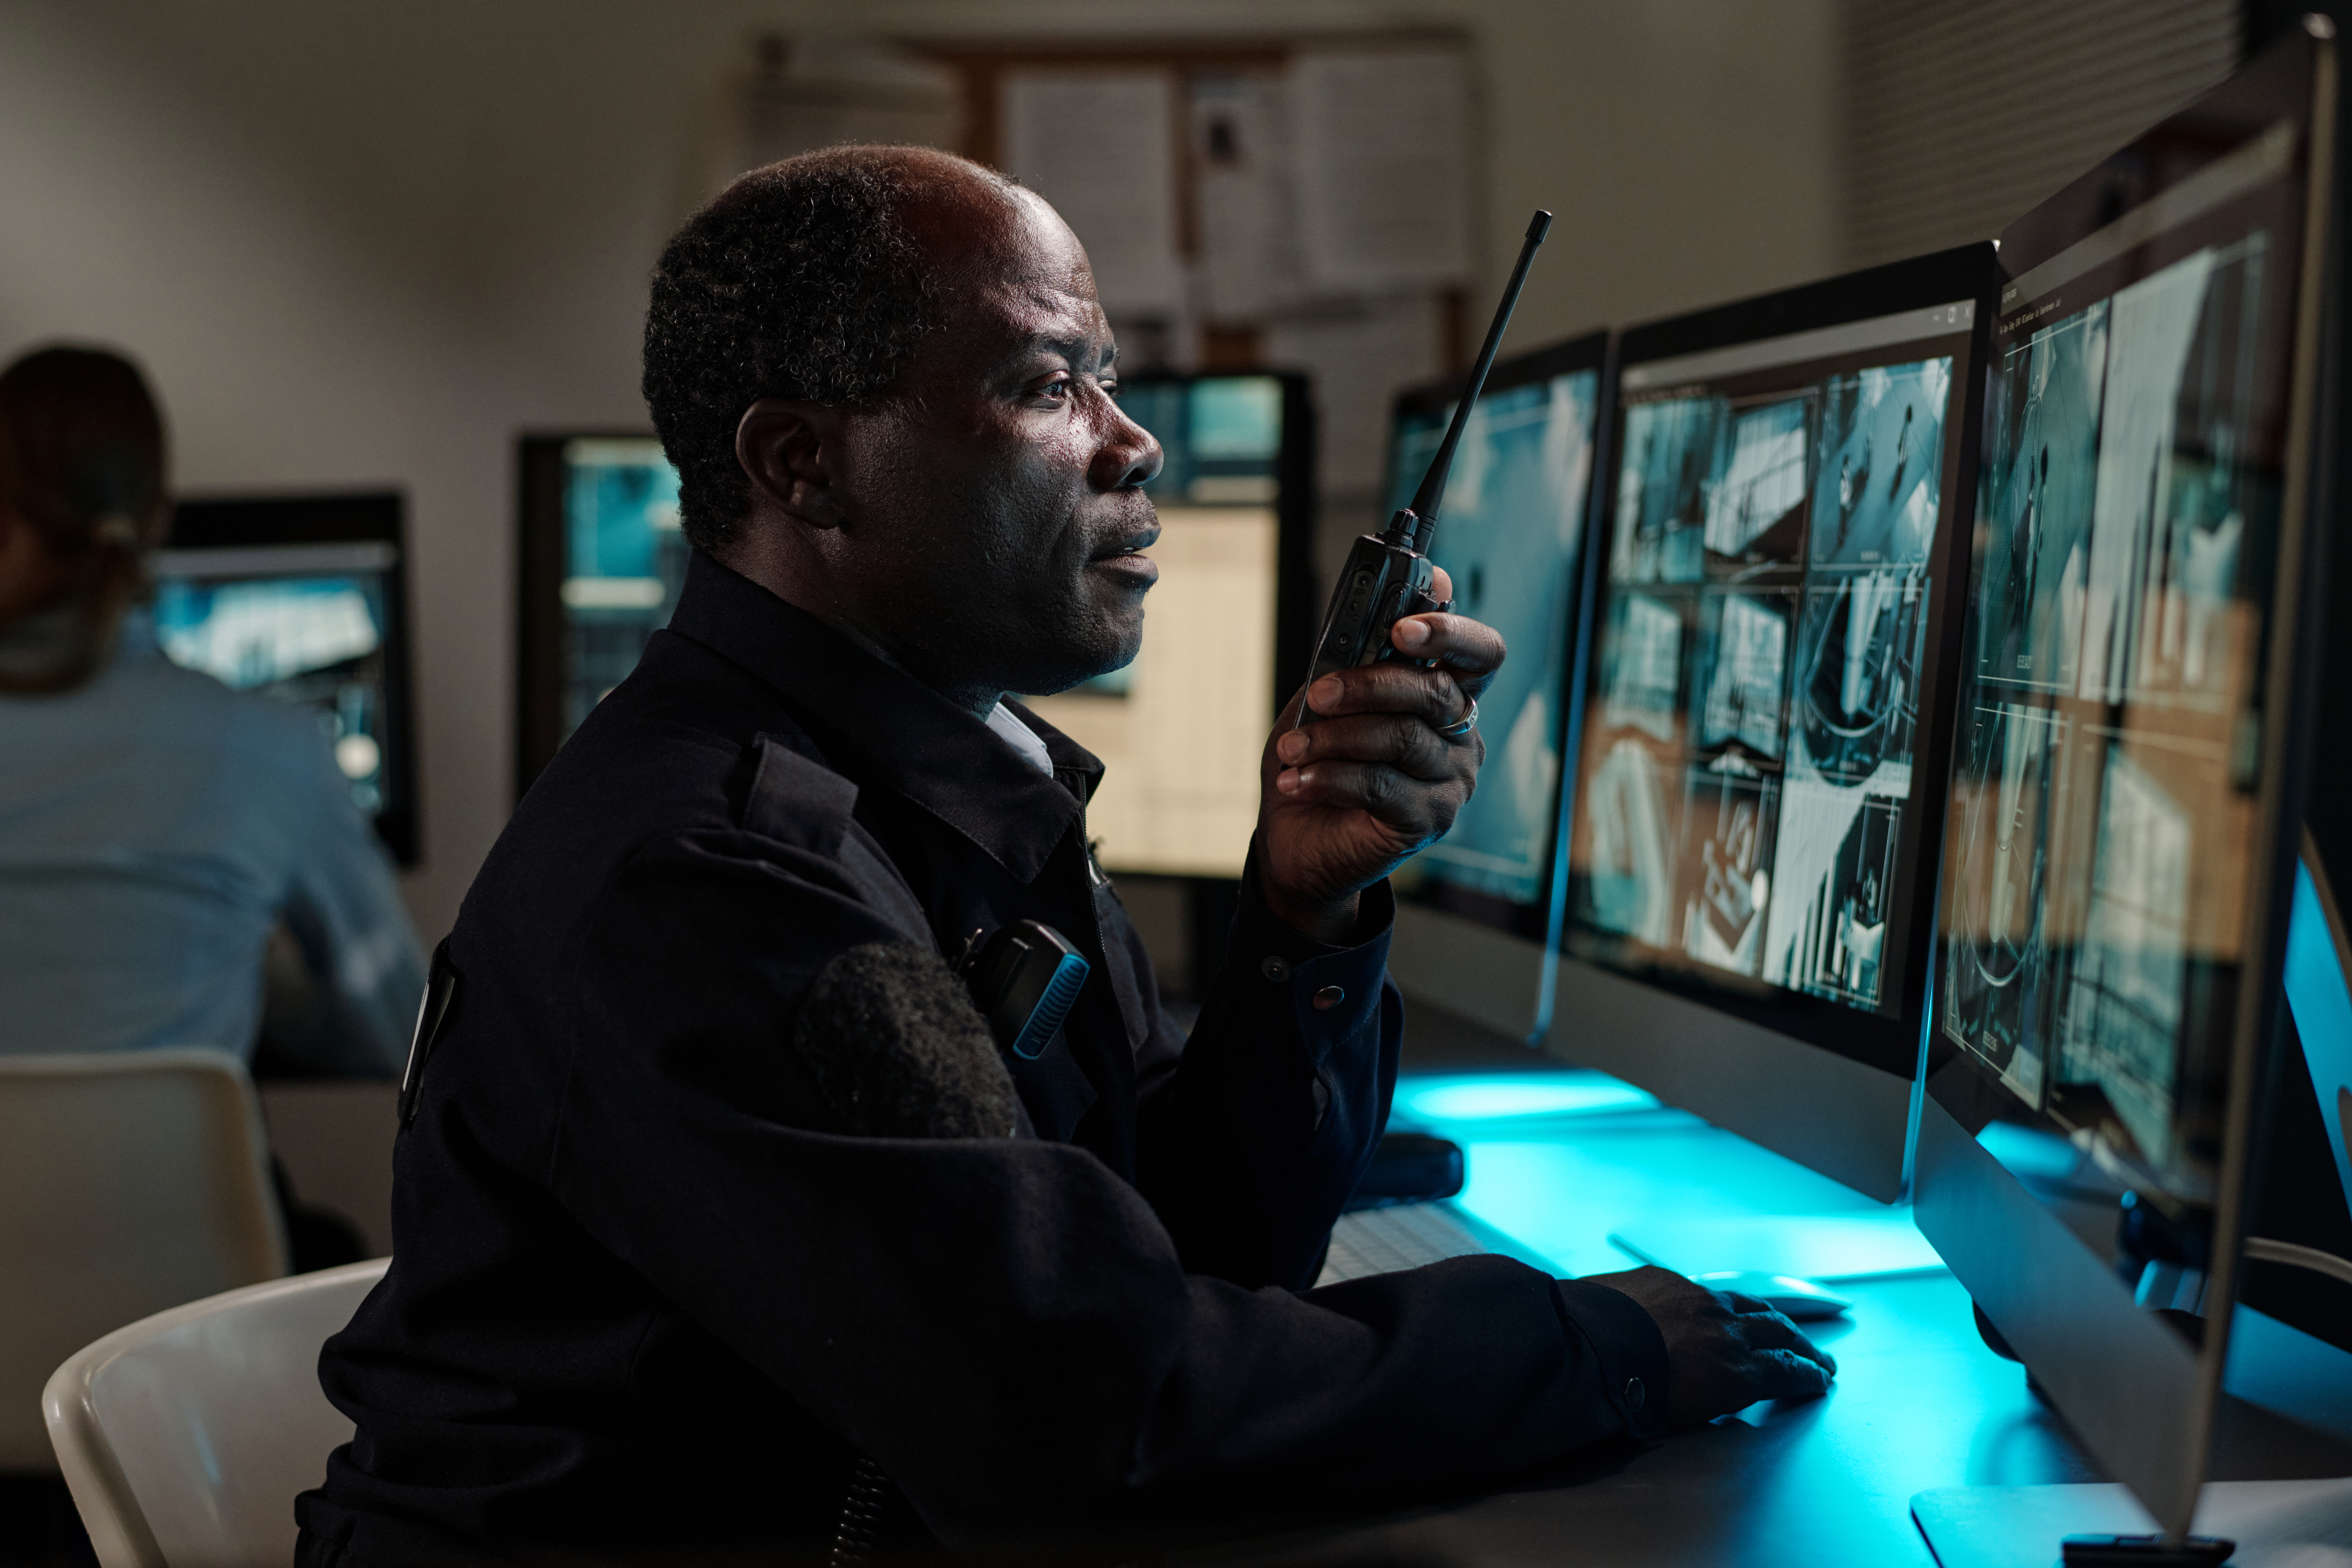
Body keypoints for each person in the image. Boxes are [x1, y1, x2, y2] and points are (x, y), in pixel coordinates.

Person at [299, 148, 1834, 1567]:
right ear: (804, 467)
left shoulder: (949, 782)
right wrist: (1596, 1350)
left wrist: (1307, 915)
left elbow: (1194, 1257)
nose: (1134, 440)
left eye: (1106, 376)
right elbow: (1098, 1416)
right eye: (1048, 387)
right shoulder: (709, 881)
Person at [0, 345, 424, 1077]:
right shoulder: (274, 749)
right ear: (156, 520)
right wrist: (231, 964)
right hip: (166, 1193)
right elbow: (407, 1041)